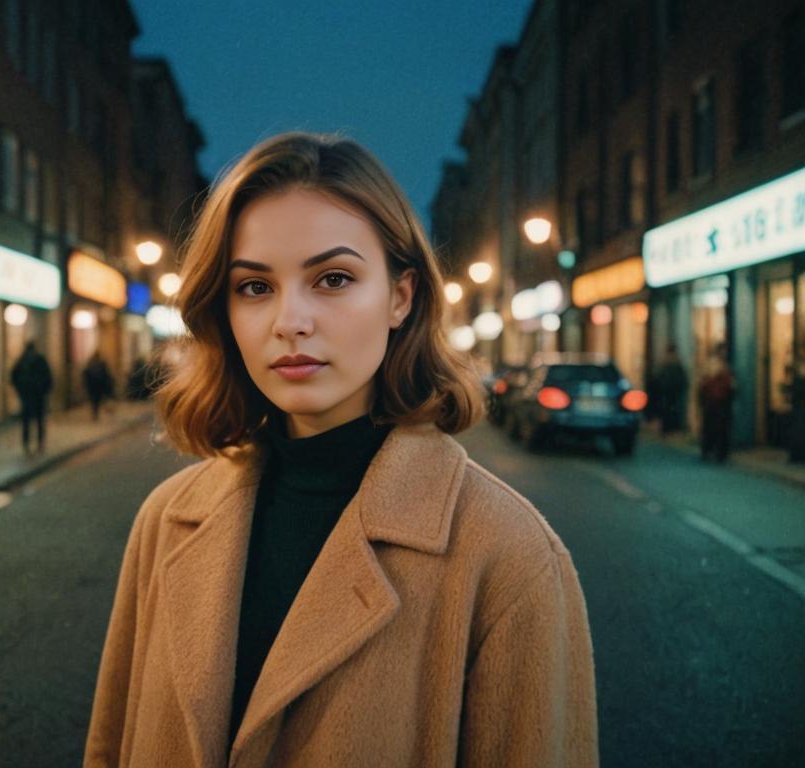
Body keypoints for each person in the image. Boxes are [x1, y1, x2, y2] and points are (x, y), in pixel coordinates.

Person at [84, 133, 598, 767]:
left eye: (332, 278)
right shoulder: (166, 520)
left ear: (400, 297)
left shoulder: (508, 554)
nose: (290, 320)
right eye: (254, 287)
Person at [10, 341, 52, 454]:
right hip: (31, 396)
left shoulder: (24, 361)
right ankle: (33, 443)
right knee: (34, 421)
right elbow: (14, 376)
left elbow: (14, 376)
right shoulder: (32, 361)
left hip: (32, 396)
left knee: (31, 421)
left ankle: (31, 443)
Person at [698, 342, 736, 462]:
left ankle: (712, 451)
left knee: (715, 428)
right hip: (716, 402)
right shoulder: (719, 367)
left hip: (716, 402)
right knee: (717, 428)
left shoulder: (718, 366)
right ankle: (716, 451)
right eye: (723, 350)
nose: (724, 353)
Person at [654, 343, 688, 434]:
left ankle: (668, 428)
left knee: (667, 411)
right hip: (672, 392)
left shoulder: (666, 362)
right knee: (671, 411)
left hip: (668, 392)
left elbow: (660, 377)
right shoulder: (675, 362)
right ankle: (671, 428)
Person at [83, 351, 115, 420]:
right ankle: (99, 413)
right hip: (99, 386)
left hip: (92, 387)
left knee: (94, 401)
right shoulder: (102, 364)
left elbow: (86, 374)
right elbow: (106, 375)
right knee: (99, 400)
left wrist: (86, 385)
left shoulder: (90, 364)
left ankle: (95, 413)